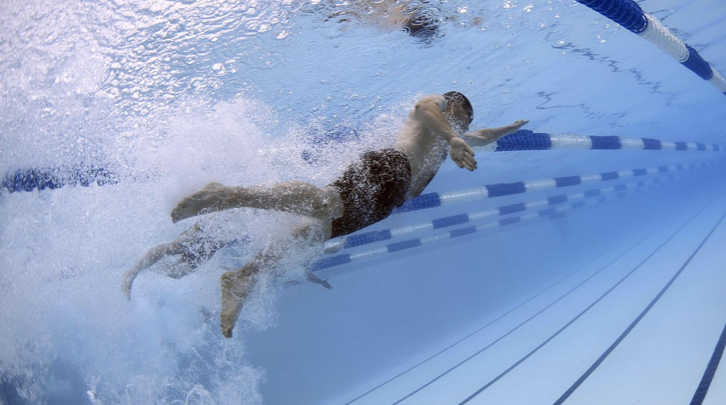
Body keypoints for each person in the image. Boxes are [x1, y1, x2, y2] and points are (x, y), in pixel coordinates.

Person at [161, 92, 528, 338]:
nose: (461, 127)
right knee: (323, 203)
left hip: (388, 201)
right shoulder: (438, 110)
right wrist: (451, 138)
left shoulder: (456, 132)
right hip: (391, 166)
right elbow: (422, 110)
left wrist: (506, 130)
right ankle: (226, 194)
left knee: (309, 235)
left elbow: (478, 136)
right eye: (460, 118)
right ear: (452, 107)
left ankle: (243, 277)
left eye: (463, 124)